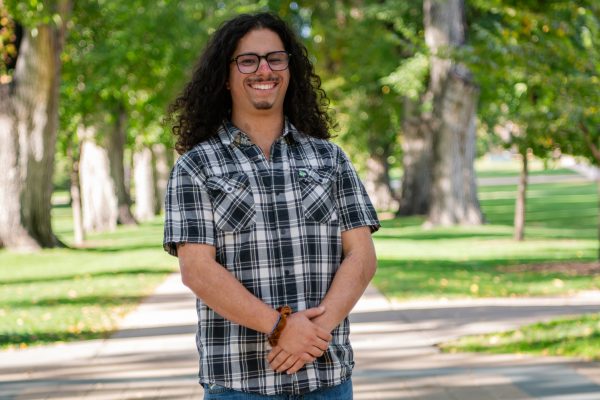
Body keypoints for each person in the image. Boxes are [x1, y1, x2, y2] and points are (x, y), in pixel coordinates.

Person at [163, 12, 379, 399]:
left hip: (326, 378)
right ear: (225, 77)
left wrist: (311, 335)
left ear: (289, 70)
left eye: (275, 58)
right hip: (240, 384)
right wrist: (281, 328)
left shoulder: (330, 159)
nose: (264, 69)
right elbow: (196, 269)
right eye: (248, 60)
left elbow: (361, 256)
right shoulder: (196, 167)